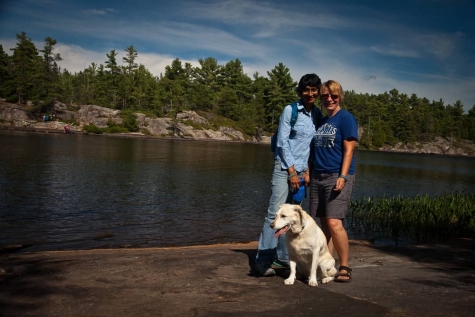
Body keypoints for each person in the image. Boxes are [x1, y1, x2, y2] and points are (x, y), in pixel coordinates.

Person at [255, 73, 323, 277]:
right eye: (306, 90)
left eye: (313, 90)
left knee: (293, 216)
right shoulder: (290, 110)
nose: (310, 93)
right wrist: (292, 171)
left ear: (317, 92)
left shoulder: (317, 115)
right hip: (284, 168)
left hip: (302, 171)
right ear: (301, 91)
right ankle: (263, 260)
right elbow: (282, 141)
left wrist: (307, 171)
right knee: (275, 212)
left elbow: (312, 146)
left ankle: (284, 259)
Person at [309, 80, 358, 282]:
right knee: (322, 223)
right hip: (317, 176)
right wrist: (308, 173)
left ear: (340, 97)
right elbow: (314, 151)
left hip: (336, 176)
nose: (329, 99)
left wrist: (343, 176)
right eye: (325, 96)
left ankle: (344, 266)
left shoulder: (346, 118)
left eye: (334, 96)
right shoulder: (321, 120)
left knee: (334, 222)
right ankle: (326, 262)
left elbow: (349, 150)